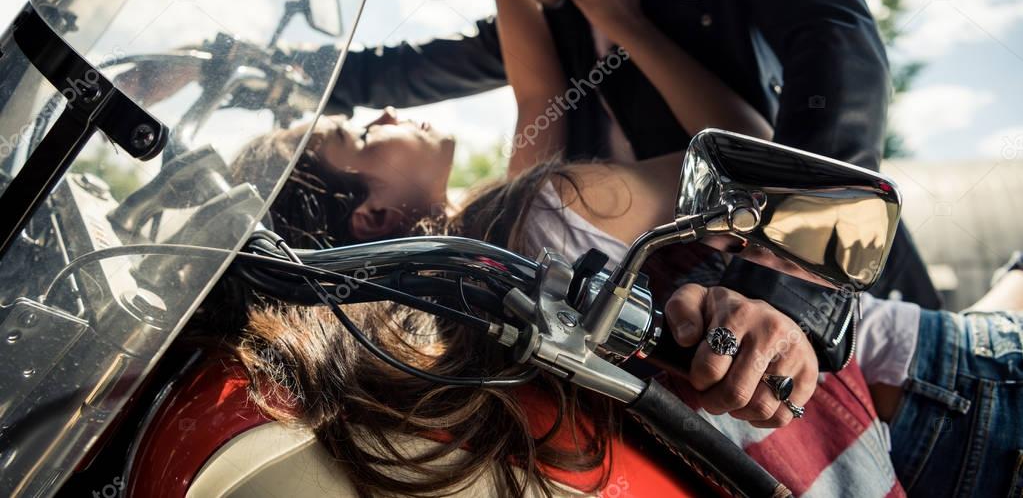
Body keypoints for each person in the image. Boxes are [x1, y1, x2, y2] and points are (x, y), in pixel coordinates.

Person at [305, 0, 940, 309]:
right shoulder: (544, 35)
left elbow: (840, 50)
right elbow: (404, 70)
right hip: (689, 363)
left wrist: (793, 297)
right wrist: (258, 68)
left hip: (853, 313)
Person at [223, 108, 1023, 497]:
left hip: (949, 396)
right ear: (366, 219)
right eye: (362, 131)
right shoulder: (500, 255)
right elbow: (741, 140)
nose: (387, 112)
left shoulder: (522, 216)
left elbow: (747, 169)